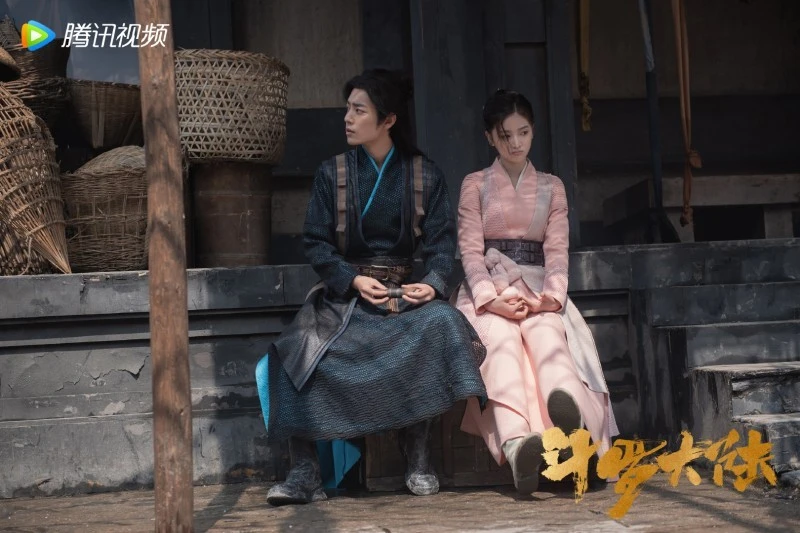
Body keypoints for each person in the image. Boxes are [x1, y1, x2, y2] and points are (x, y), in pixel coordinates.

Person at [255, 69, 487, 505]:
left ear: (388, 120)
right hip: (345, 299)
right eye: (348, 109)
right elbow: (316, 242)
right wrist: (352, 279)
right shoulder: (332, 174)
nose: (347, 118)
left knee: (442, 324)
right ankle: (305, 474)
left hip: (403, 297)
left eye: (359, 110)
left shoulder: (425, 176)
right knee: (291, 353)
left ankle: (417, 454)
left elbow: (441, 245)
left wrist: (432, 285)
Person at [454, 90, 618, 495]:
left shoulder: (552, 187)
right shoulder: (475, 185)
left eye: (523, 132)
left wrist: (552, 297)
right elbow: (470, 251)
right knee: (500, 343)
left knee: (549, 335)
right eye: (505, 135)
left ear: (533, 132)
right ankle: (517, 446)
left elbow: (557, 251)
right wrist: (490, 299)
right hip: (489, 288)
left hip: (539, 285)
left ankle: (572, 421)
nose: (515, 143)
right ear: (490, 137)